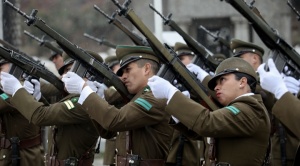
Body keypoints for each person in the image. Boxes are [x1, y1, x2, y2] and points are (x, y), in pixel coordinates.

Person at [62, 45, 174, 166]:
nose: (123, 76)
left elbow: (116, 120)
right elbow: (108, 132)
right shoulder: (137, 98)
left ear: (146, 68)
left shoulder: (154, 97)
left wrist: (84, 89)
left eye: (128, 70)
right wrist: (99, 97)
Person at [148, 57, 271, 165]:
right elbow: (204, 132)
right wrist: (179, 113)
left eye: (222, 80)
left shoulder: (250, 109)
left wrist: (171, 93)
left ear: (242, 82)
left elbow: (208, 123)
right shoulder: (240, 109)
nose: (216, 87)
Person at [0, 52, 110, 166]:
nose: (65, 76)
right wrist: (37, 98)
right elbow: (51, 113)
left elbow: (42, 116)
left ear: (89, 74)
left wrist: (17, 90)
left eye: (71, 70)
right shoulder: (79, 100)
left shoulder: (82, 103)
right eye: (65, 71)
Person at [231, 39, 299, 165]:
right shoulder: (264, 82)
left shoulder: (270, 81)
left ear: (255, 58)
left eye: (241, 58)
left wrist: (282, 91)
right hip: (272, 153)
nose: (237, 63)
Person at [0, 59, 44, 166]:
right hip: (10, 154)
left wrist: (18, 92)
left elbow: (5, 101)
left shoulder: (24, 86)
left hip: (26, 156)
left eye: (1, 69)